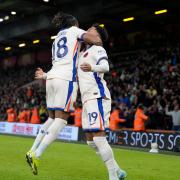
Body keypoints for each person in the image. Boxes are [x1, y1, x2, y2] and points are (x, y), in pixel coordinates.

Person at [26, 12, 102, 175]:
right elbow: (96, 40)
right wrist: (95, 37)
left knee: (52, 118)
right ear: (74, 23)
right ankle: (36, 154)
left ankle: (31, 149)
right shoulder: (75, 31)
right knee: (61, 120)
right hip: (65, 79)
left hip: (51, 77)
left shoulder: (57, 38)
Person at [78, 24, 127, 180]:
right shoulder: (83, 52)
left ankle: (113, 176)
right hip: (86, 99)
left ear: (97, 36)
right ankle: (118, 171)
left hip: (96, 95)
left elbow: (105, 66)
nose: (87, 31)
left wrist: (92, 67)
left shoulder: (98, 49)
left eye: (91, 30)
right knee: (91, 142)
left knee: (99, 137)